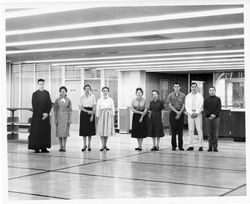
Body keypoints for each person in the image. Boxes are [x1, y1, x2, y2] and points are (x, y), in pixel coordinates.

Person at [28, 79, 52, 153]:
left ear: (44, 84)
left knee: (45, 132)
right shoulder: (35, 94)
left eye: (43, 84)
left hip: (46, 116)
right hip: (37, 116)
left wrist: (47, 113)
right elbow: (35, 106)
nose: (42, 85)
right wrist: (42, 114)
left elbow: (49, 104)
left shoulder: (47, 93)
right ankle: (37, 148)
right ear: (38, 84)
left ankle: (44, 147)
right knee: (37, 132)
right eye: (40, 84)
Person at [185, 82, 204, 151]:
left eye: (195, 87)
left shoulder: (200, 96)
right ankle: (191, 145)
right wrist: (191, 113)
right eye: (192, 87)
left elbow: (201, 105)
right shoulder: (188, 96)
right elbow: (186, 106)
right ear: (191, 88)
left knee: (199, 130)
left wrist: (196, 113)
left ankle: (200, 145)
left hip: (198, 114)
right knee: (190, 130)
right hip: (190, 115)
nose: (193, 88)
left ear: (197, 87)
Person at [166, 83, 186, 151]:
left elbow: (184, 105)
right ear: (173, 87)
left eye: (177, 87)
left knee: (180, 130)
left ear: (179, 87)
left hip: (181, 112)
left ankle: (181, 146)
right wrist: (176, 112)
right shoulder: (170, 95)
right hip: (173, 113)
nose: (176, 88)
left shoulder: (183, 95)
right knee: (173, 130)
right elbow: (169, 105)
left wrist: (179, 113)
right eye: (175, 87)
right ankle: (173, 146)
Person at [96, 87, 115, 151]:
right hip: (102, 115)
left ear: (108, 92)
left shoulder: (111, 100)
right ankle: (102, 145)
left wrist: (113, 116)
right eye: (104, 91)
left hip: (109, 115)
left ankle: (105, 145)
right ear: (102, 92)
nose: (105, 92)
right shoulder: (99, 100)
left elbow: (113, 108)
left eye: (106, 91)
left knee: (107, 131)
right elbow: (98, 108)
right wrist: (98, 116)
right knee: (101, 131)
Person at [54, 86, 72, 152]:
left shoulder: (68, 100)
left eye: (64, 91)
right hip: (59, 116)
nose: (63, 92)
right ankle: (60, 145)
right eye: (61, 91)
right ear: (60, 92)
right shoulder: (57, 100)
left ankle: (64, 146)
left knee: (65, 132)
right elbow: (55, 110)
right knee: (59, 132)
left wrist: (70, 118)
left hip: (66, 116)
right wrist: (55, 119)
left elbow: (70, 110)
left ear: (66, 92)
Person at [79, 84, 96, 151]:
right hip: (84, 113)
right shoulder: (81, 97)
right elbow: (80, 107)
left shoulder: (93, 96)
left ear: (90, 89)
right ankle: (84, 145)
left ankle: (89, 145)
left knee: (90, 130)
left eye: (88, 89)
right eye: (86, 89)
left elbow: (94, 106)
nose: (87, 90)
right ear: (84, 90)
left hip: (91, 113)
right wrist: (87, 111)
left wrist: (92, 115)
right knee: (84, 130)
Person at [204, 86, 221, 152]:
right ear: (209, 91)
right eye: (210, 90)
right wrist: (210, 115)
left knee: (215, 133)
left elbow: (219, 108)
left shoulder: (218, 99)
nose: (211, 91)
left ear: (215, 91)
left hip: (216, 118)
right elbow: (205, 108)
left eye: (213, 90)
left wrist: (214, 115)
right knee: (209, 133)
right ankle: (210, 147)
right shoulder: (206, 99)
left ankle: (215, 147)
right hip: (208, 118)